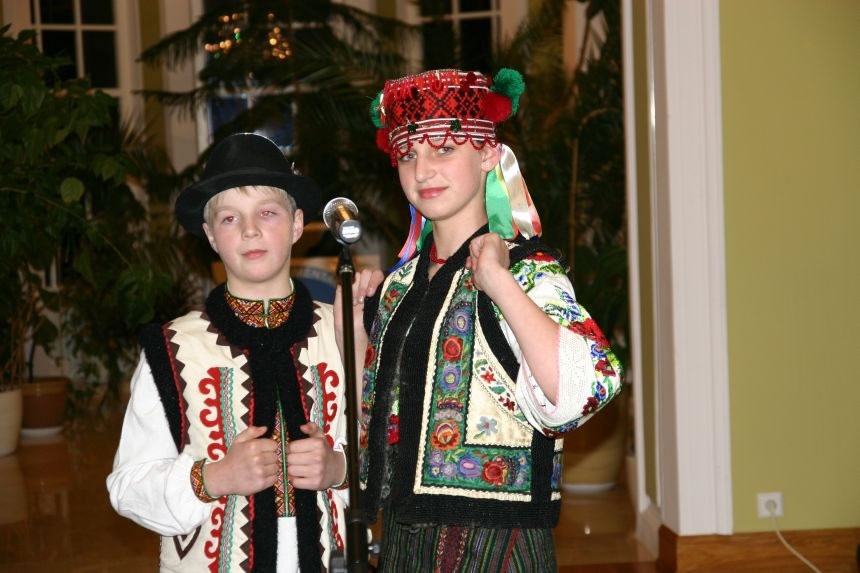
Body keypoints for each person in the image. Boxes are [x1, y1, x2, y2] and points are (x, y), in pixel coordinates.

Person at [353, 68, 624, 571]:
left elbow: (587, 389)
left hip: (498, 547)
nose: (422, 170)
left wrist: (499, 282)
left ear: (487, 154)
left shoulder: (528, 272)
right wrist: (354, 327)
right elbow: (375, 423)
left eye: (444, 149)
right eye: (408, 154)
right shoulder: (397, 286)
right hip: (402, 546)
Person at [107, 133, 353, 573]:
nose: (250, 230)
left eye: (267, 213)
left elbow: (393, 459)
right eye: (229, 218)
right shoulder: (172, 348)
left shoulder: (343, 331)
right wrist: (214, 477)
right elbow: (127, 487)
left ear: (298, 224)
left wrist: (338, 468)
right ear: (210, 236)